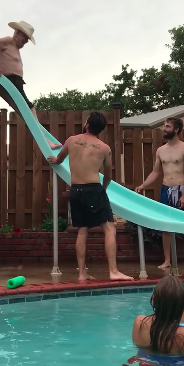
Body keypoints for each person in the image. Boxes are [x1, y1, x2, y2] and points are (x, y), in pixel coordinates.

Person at [47, 112, 134, 282]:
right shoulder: (104, 148)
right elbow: (108, 175)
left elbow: (58, 159)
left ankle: (82, 273)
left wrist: (54, 159)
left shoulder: (71, 140)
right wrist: (102, 189)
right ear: (100, 129)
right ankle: (113, 271)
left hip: (76, 190)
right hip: (94, 190)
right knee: (109, 229)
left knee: (82, 230)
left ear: (87, 124)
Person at [0, 21, 62, 150]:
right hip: (11, 81)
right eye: (24, 40)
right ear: (17, 33)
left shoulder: (14, 47)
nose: (24, 43)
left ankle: (46, 140)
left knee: (28, 113)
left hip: (17, 83)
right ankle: (47, 142)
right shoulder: (8, 41)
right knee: (30, 110)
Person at [135, 117, 184, 270]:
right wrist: (143, 185)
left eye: (167, 126)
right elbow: (156, 172)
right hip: (165, 190)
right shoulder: (161, 150)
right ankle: (167, 260)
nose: (164, 129)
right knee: (165, 227)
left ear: (176, 130)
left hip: (180, 190)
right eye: (164, 126)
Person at [132, 275, 184, 358]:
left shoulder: (139, 322)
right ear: (183, 306)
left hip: (144, 365)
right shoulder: (183, 335)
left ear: (154, 299)